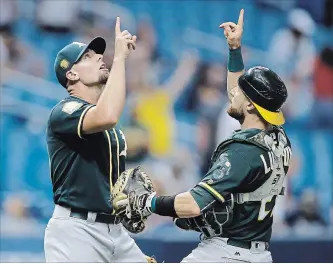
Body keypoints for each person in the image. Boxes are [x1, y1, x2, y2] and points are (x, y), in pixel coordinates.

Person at [114, 10, 292, 262]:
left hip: (226, 254)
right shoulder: (279, 139)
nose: (231, 93)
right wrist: (234, 50)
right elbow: (238, 92)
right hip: (258, 252)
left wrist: (148, 202)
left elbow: (191, 205)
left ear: (251, 106)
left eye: (241, 93)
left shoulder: (242, 152)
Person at [44, 17, 155, 262]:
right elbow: (108, 115)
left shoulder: (108, 125)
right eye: (87, 57)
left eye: (98, 54)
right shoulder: (64, 112)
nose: (98, 57)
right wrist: (119, 59)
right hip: (77, 231)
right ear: (71, 74)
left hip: (115, 230)